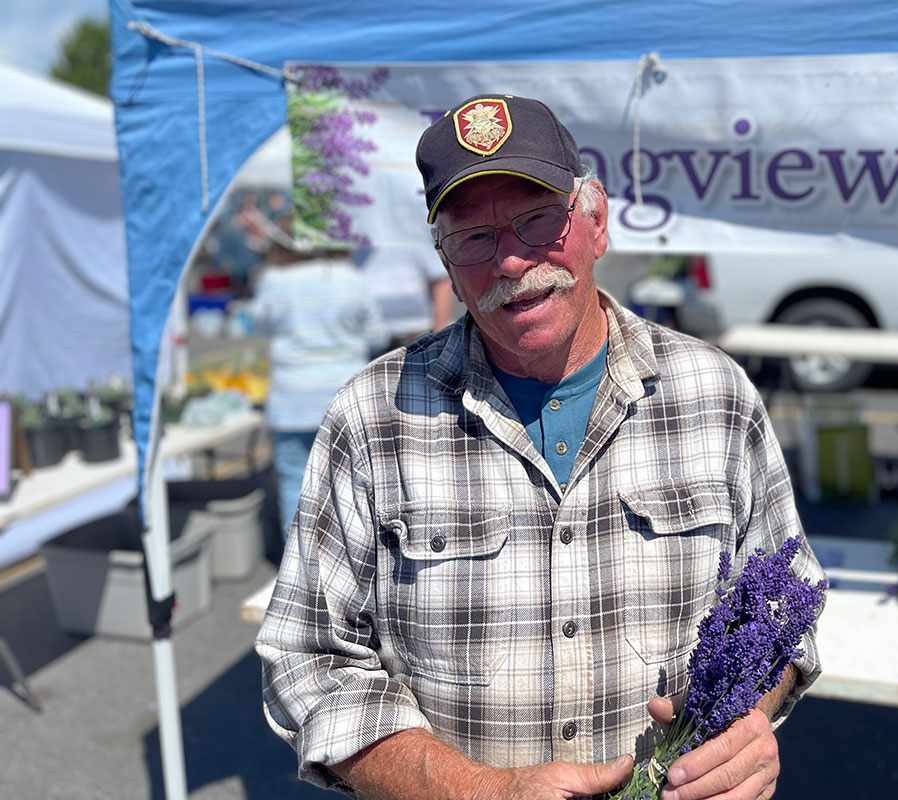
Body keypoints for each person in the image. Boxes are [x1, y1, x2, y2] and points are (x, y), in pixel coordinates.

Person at [257, 94, 824, 800]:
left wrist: (747, 736)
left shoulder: (715, 393)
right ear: (445, 259)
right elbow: (309, 661)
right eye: (475, 238)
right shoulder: (372, 418)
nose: (515, 259)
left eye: (538, 220)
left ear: (596, 221)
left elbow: (785, 607)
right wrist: (475, 792)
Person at [247, 220, 385, 538]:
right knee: (350, 487)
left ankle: (299, 571)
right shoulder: (350, 278)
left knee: (295, 483)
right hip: (344, 398)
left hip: (291, 400)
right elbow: (376, 334)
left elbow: (257, 324)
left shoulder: (275, 280)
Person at [356, 243, 453, 354]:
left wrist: (439, 336)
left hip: (416, 338)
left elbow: (441, 281)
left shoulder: (415, 235)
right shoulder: (358, 238)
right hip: (368, 343)